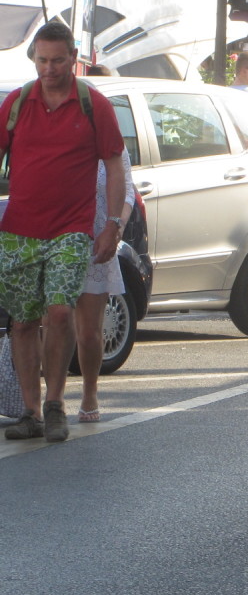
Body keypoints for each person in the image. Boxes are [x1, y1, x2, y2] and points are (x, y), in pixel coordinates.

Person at [0, 21, 126, 442]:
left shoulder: (94, 104)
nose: (49, 69)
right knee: (22, 322)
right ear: (33, 58)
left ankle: (55, 404)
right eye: (42, 60)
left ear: (74, 58)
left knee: (59, 311)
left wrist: (112, 225)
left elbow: (113, 164)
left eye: (57, 60)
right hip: (19, 230)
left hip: (72, 228)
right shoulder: (17, 103)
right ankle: (30, 412)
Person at [72, 147, 136, 423]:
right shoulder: (61, 133)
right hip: (59, 234)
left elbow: (128, 193)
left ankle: (90, 392)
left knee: (89, 332)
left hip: (98, 240)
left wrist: (116, 227)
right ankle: (51, 400)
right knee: (55, 322)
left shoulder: (111, 143)